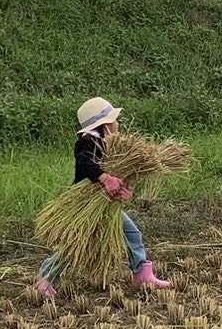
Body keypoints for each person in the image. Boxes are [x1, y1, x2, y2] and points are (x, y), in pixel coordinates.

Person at [35, 97, 170, 299]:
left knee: (132, 234)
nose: (118, 124)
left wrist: (125, 191)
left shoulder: (113, 149)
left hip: (107, 206)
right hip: (85, 207)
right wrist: (105, 178)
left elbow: (121, 181)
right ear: (105, 125)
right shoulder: (87, 142)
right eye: (115, 120)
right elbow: (84, 164)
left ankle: (142, 273)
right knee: (76, 246)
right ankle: (45, 278)